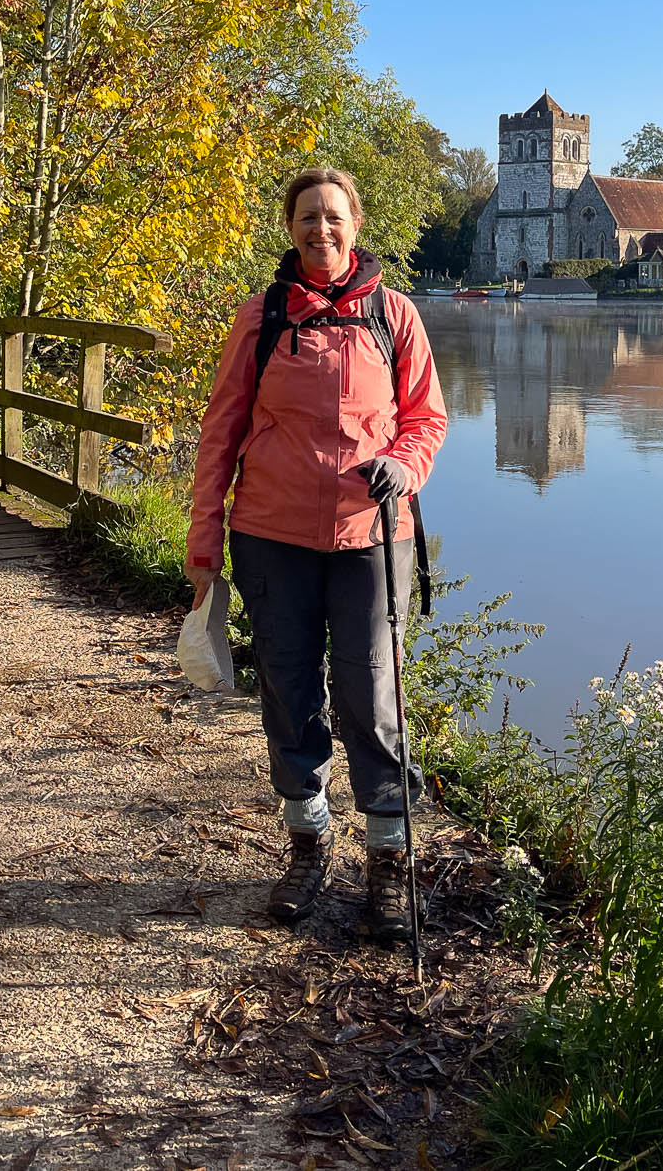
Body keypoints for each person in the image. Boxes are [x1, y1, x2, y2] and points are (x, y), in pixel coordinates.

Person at [185, 168, 448, 939]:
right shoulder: (261, 317)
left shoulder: (392, 315)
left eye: (333, 216)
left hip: (372, 535)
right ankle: (308, 845)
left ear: (356, 224)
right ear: (290, 227)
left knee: (372, 697)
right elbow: (220, 431)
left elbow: (427, 418)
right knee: (289, 692)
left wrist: (404, 461)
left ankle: (389, 862)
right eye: (307, 217)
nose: (320, 229)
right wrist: (205, 539)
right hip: (270, 537)